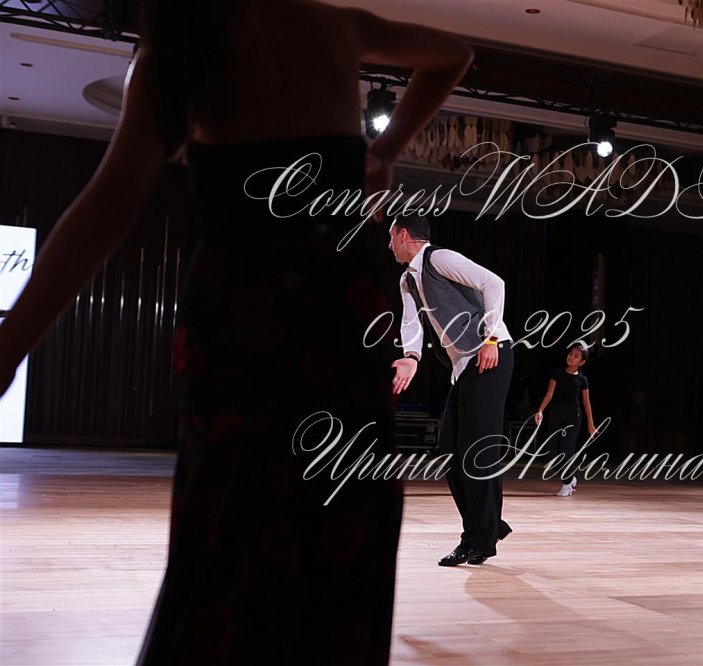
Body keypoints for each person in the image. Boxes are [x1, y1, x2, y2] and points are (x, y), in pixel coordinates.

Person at [0, 2, 472, 663]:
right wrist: (383, 152)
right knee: (338, 524)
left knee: (229, 527)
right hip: (338, 321)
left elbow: (108, 208)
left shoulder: (185, 46)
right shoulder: (333, 27)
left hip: (243, 322)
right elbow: (454, 54)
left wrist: (11, 344)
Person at [387, 216, 514, 566]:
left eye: (391, 238)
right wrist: (411, 356)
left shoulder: (438, 258)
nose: (389, 246)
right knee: (448, 449)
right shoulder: (407, 280)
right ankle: (489, 525)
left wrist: (490, 337)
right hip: (464, 367)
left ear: (404, 235)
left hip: (490, 354)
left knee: (477, 450)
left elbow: (494, 282)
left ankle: (478, 538)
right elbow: (411, 322)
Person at [534, 342, 597, 496]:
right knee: (552, 452)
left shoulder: (582, 380)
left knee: (566, 452)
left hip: (573, 416)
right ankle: (570, 477)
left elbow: (586, 403)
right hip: (556, 414)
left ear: (581, 362)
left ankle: (567, 485)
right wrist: (540, 410)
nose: (571, 357)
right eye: (570, 354)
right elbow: (549, 394)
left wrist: (590, 424)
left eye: (576, 356)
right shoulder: (557, 374)